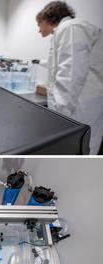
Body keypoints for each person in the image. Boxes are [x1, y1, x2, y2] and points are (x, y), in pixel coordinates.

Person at [36, 1, 103, 154]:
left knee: (83, 150)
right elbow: (60, 64)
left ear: (47, 19)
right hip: (77, 104)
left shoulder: (71, 28)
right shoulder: (65, 31)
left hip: (82, 105)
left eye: (39, 24)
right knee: (77, 150)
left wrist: (61, 118)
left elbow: (71, 74)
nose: (38, 30)